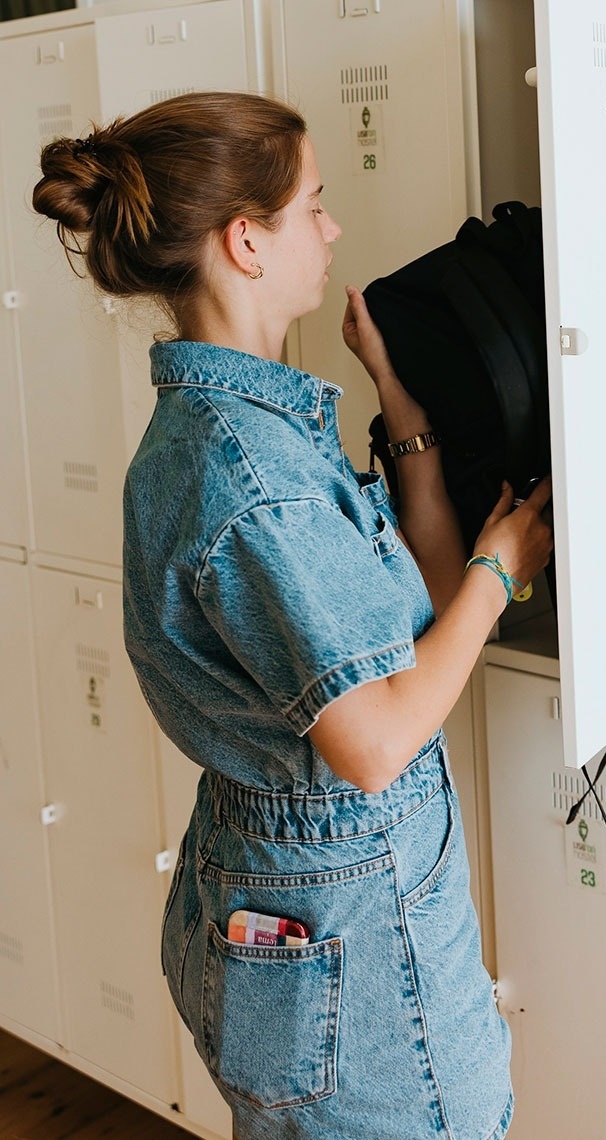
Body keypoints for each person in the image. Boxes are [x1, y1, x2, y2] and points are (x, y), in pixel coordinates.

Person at [32, 91, 553, 1140]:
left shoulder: (243, 425)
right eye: (313, 206)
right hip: (343, 933)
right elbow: (374, 741)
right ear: (244, 242)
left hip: (301, 908)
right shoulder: (250, 471)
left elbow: (411, 632)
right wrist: (500, 573)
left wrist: (406, 429)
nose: (334, 228)